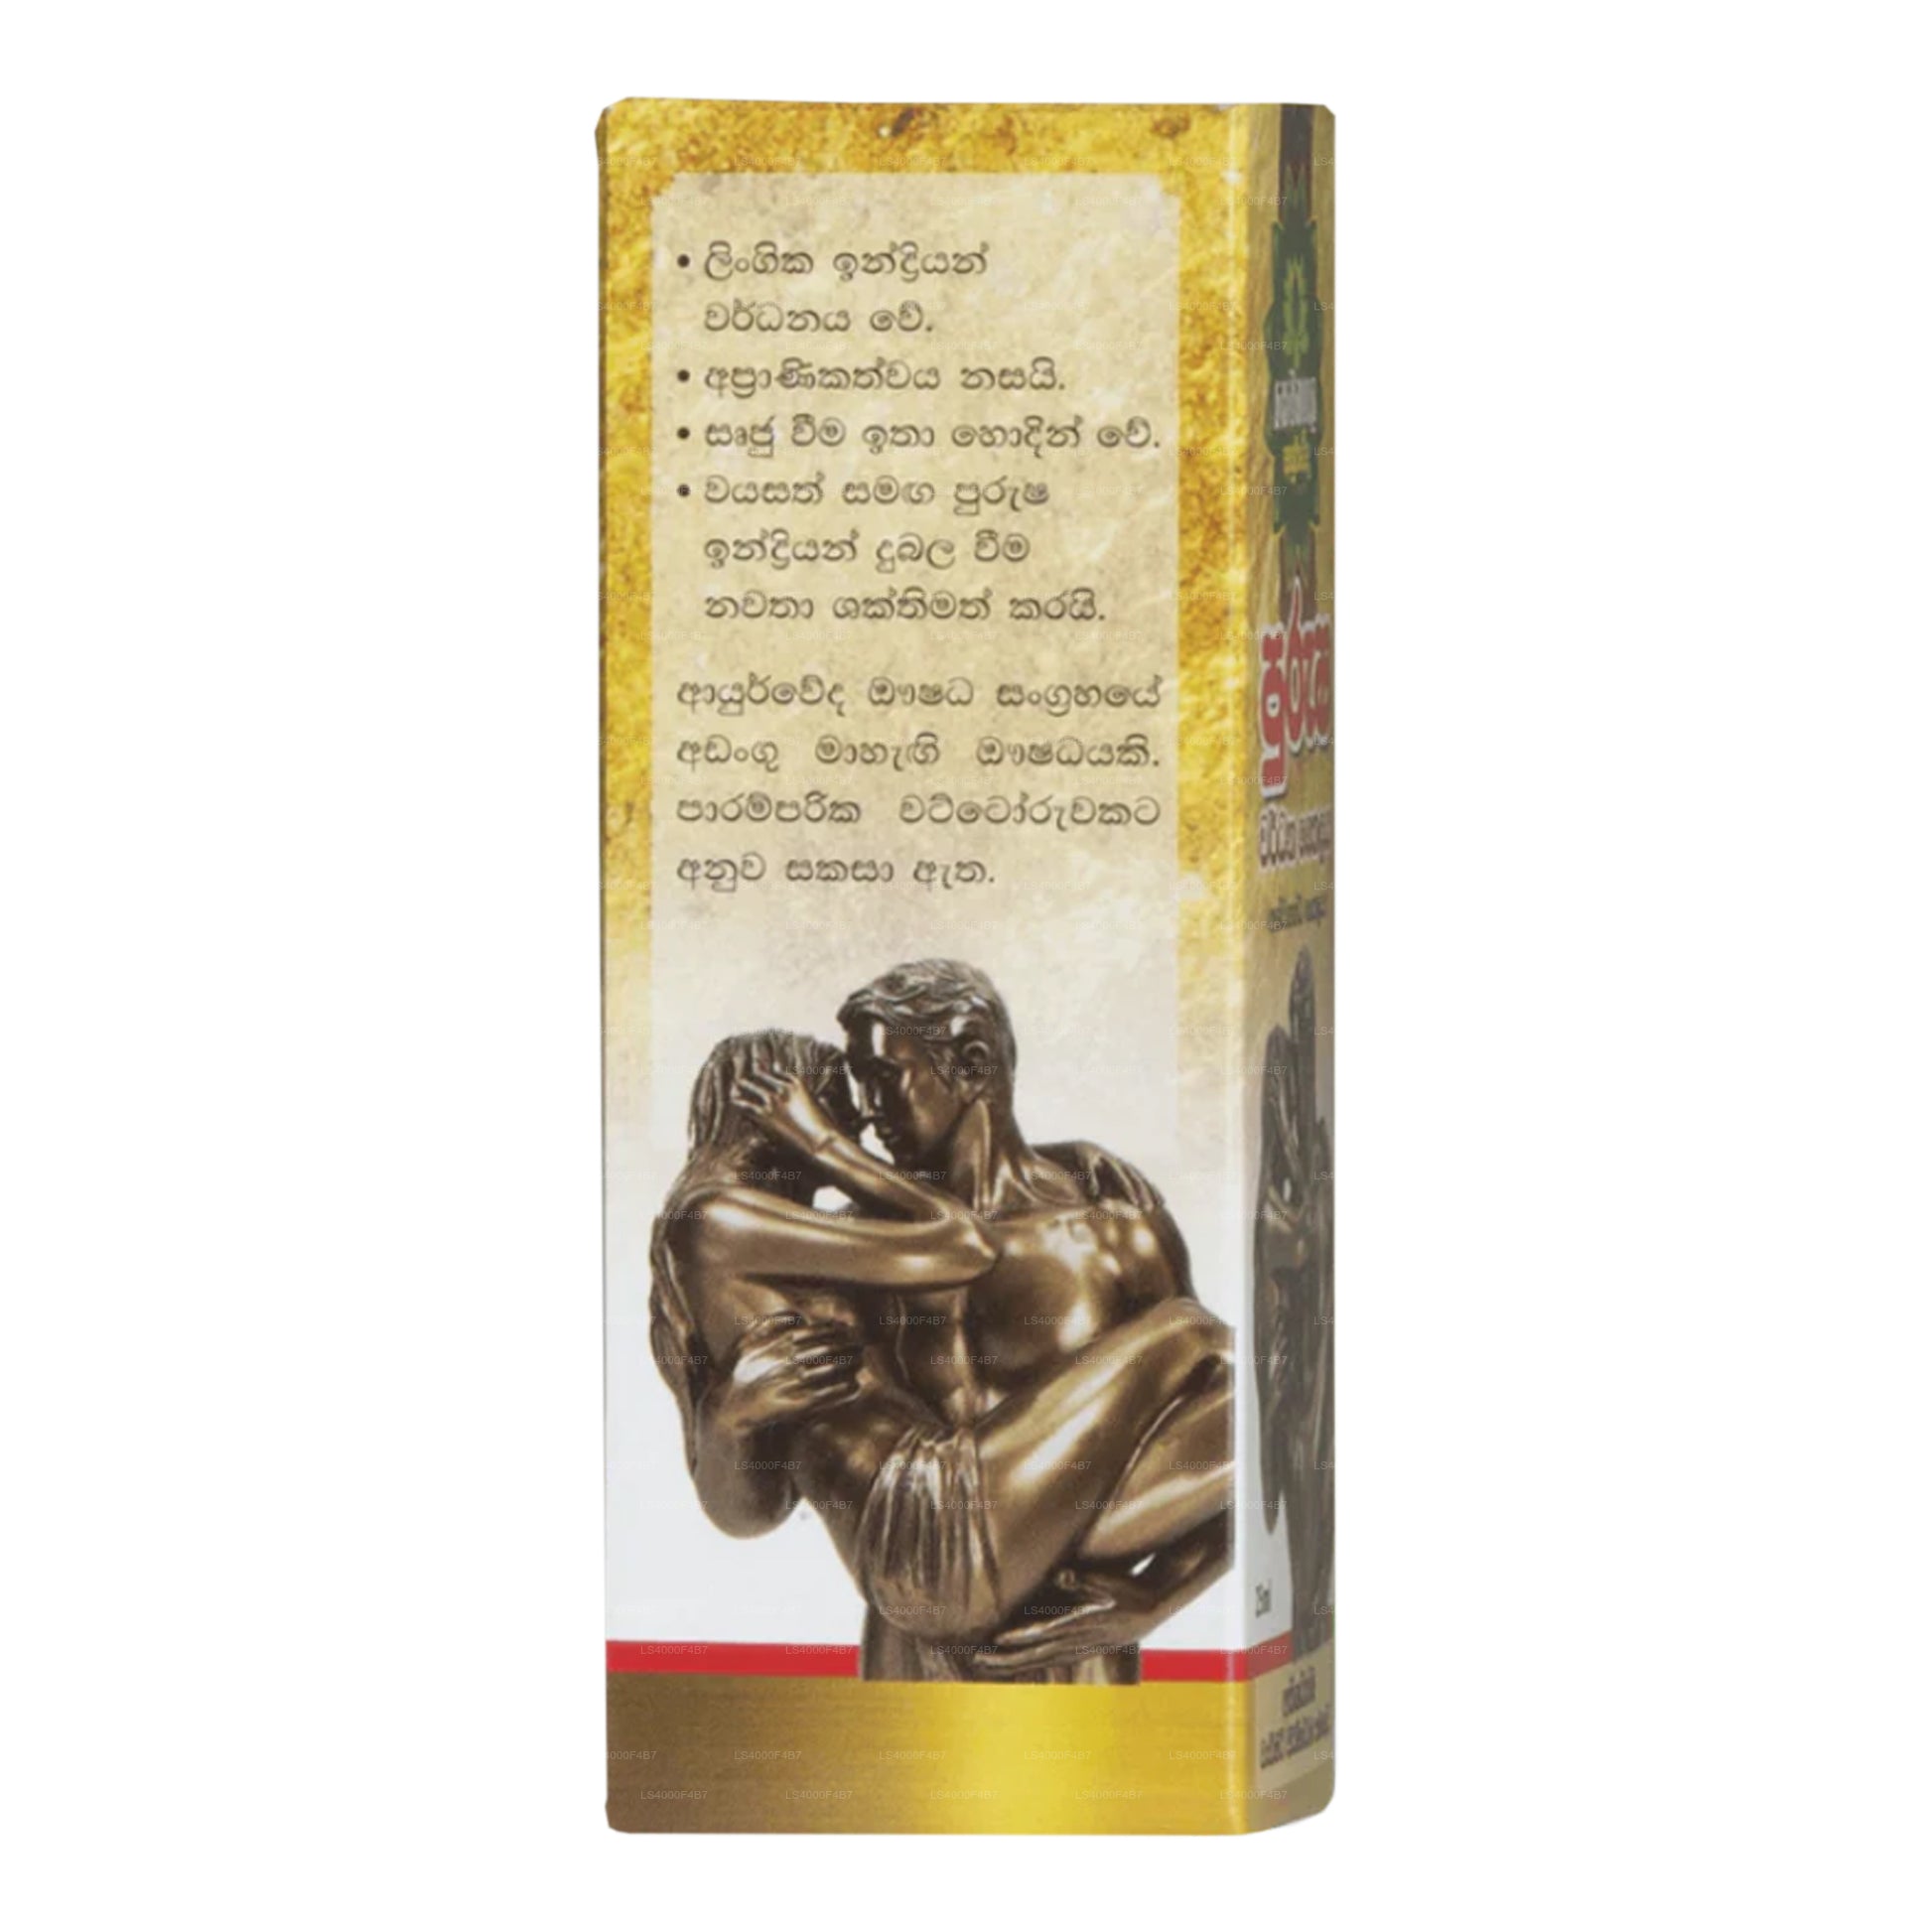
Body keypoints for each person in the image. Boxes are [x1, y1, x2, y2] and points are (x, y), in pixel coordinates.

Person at [651, 978, 1231, 1681]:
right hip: (914, 1634)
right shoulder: (840, 1251)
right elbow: (753, 1513)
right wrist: (726, 1421)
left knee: (1242, 1374)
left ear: (974, 1064)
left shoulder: (1111, 1233)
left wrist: (1157, 1597)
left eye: (883, 1077)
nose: (865, 1114)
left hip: (1069, 1644)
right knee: (1206, 1345)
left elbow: (1235, 1442)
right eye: (854, 1088)